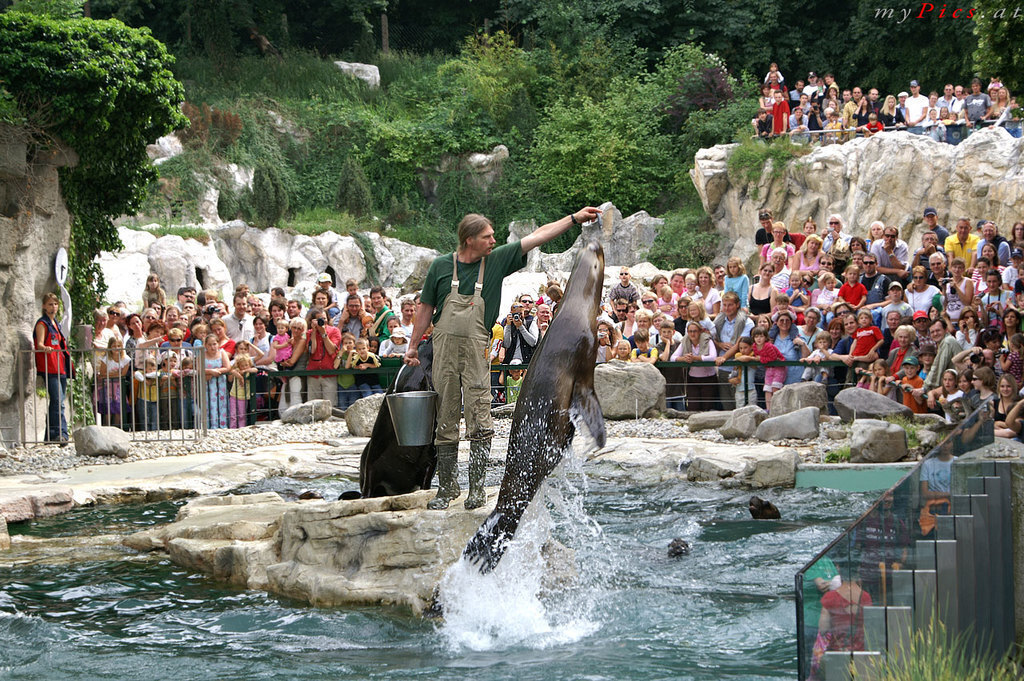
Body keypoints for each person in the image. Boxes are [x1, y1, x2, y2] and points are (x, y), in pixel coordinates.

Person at [404, 207, 602, 510]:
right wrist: (413, 346)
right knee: (445, 415)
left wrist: (574, 219)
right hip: (443, 348)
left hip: (476, 349)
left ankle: (477, 488)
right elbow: (426, 309)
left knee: (479, 414)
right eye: (487, 236)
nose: (493, 240)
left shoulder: (494, 261)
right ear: (469, 240)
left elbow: (537, 236)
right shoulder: (440, 267)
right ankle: (446, 487)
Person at [34, 292, 70, 443]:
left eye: (55, 304)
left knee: (59, 400)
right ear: (44, 306)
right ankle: (60, 433)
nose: (53, 307)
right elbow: (40, 343)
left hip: (60, 366)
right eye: (50, 304)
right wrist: (46, 348)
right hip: (50, 366)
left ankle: (51, 435)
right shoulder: (42, 323)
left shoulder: (56, 323)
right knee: (57, 401)